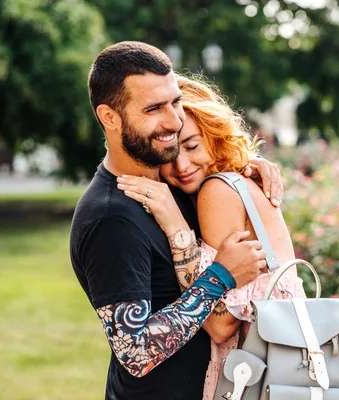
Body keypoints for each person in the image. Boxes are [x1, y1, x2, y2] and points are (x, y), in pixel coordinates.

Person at [69, 41, 283, 400]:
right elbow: (135, 353)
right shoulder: (110, 218)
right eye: (154, 108)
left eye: (175, 102)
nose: (172, 120)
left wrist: (242, 169)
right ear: (110, 117)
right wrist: (220, 277)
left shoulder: (173, 185)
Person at [116, 75, 306, 399]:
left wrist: (178, 230)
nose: (182, 165)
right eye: (169, 154)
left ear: (213, 134)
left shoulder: (215, 191)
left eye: (191, 146)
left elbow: (220, 326)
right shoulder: (236, 180)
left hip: (255, 378)